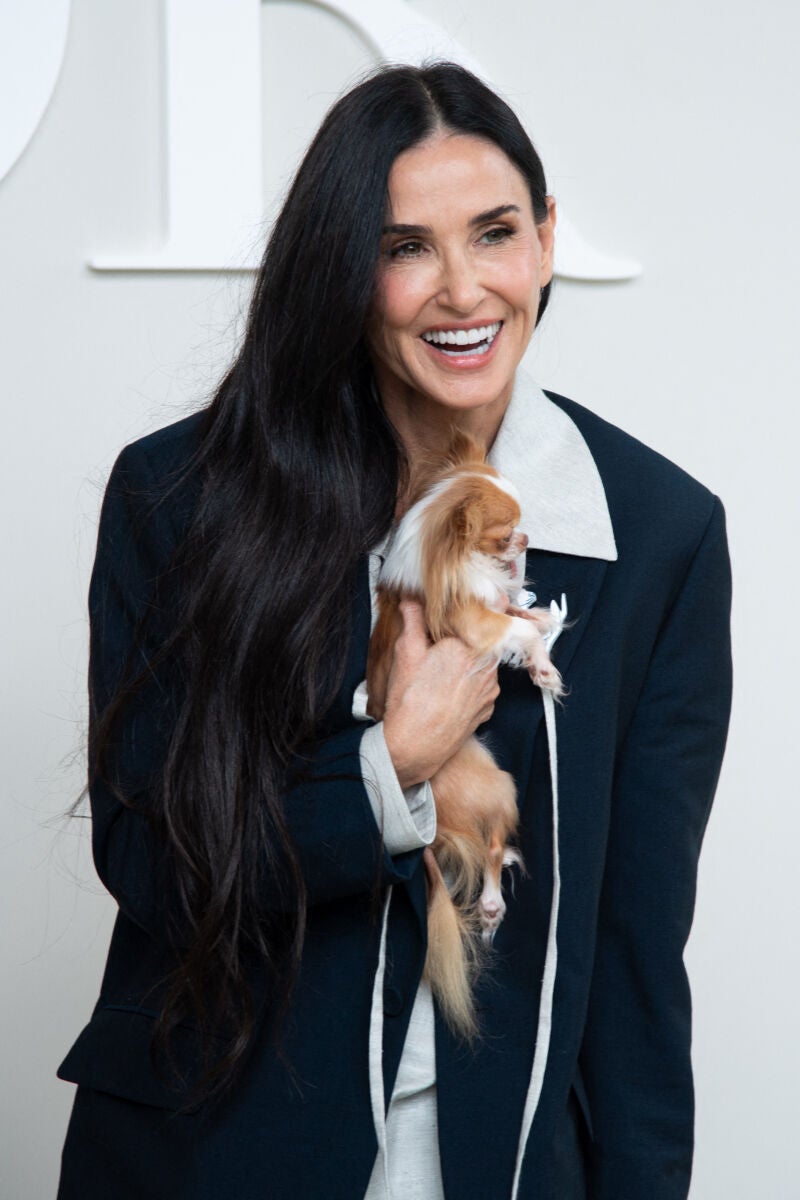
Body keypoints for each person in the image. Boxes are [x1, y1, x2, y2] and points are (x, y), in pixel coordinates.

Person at [56, 63, 732, 1200]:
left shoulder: (655, 532)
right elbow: (150, 858)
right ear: (343, 270)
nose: (461, 290)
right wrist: (385, 768)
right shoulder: (181, 497)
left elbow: (631, 952)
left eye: (495, 232)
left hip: (496, 1163)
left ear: (547, 239)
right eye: (404, 246)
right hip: (213, 1155)